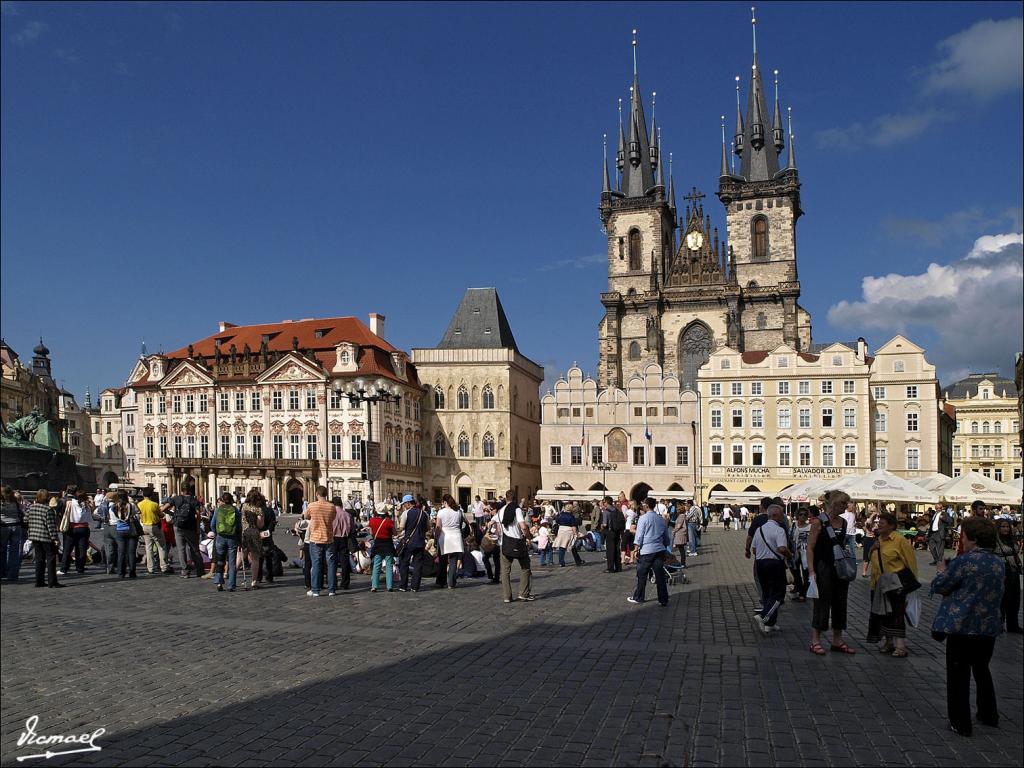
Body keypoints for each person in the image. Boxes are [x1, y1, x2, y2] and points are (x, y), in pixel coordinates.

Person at [931, 517, 1005, 737]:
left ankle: (960, 722)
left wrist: (942, 569)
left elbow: (940, 585)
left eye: (963, 535)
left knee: (958, 676)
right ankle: (989, 714)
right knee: (982, 670)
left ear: (972, 538)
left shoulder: (965, 561)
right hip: (988, 626)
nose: (961, 538)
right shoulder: (997, 562)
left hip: (962, 626)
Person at [807, 490, 855, 657]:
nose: (846, 506)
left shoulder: (842, 522)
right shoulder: (818, 522)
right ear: (834, 503)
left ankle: (837, 640)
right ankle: (815, 640)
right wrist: (811, 570)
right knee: (822, 602)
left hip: (839, 569)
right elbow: (810, 548)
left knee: (840, 602)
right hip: (823, 567)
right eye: (843, 503)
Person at [866, 512, 919, 657]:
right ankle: (888, 642)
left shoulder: (900, 540)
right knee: (882, 614)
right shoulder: (879, 540)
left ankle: (900, 646)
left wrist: (911, 585)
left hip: (896, 585)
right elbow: (872, 558)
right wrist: (872, 548)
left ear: (891, 526)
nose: (879, 525)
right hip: (878, 585)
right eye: (879, 523)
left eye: (882, 523)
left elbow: (911, 563)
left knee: (896, 615)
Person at [751, 503, 792, 633]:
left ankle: (771, 623)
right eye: (781, 515)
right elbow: (782, 548)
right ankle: (763, 615)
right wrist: (790, 555)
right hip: (775, 564)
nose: (783, 518)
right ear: (774, 515)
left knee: (767, 593)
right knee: (779, 595)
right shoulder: (779, 530)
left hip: (760, 564)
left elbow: (754, 549)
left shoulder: (759, 529)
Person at [628, 500, 671, 606]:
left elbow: (639, 535)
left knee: (642, 575)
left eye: (643, 504)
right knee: (660, 575)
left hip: (647, 550)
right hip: (659, 550)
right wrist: (664, 547)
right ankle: (663, 599)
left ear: (646, 506)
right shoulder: (661, 519)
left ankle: (639, 597)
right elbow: (666, 537)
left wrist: (636, 548)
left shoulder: (643, 518)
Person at [161, 481, 205, 579]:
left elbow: (163, 509)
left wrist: (173, 514)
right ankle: (200, 570)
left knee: (181, 549)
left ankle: (185, 571)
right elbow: (198, 515)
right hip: (191, 527)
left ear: (181, 489)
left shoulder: (176, 499)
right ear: (190, 489)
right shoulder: (194, 500)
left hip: (178, 526)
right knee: (194, 549)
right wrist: (198, 528)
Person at [497, 489, 533, 603]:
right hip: (517, 542)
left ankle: (507, 596)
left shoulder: (500, 511)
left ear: (505, 498)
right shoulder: (516, 509)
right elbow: (522, 525)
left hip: (505, 543)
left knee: (505, 571)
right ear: (515, 498)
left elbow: (498, 528)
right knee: (525, 567)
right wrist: (528, 536)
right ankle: (523, 593)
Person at [304, 486, 337, 597]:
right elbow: (333, 518)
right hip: (329, 538)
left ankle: (315, 590)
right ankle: (332, 589)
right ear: (326, 494)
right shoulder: (332, 506)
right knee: (331, 564)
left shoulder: (312, 505)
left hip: (315, 538)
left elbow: (306, 516)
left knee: (316, 564)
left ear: (317, 494)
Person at [27, 490, 61, 588]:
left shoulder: (31, 507)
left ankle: (39, 581)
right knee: (51, 559)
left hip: (34, 536)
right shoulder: (48, 510)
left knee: (39, 559)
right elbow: (51, 526)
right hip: (46, 537)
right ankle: (52, 582)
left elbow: (25, 519)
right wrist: (55, 539)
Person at [994, 518, 1022, 633]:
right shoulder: (995, 541)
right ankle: (999, 625)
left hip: (1014, 571)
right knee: (1002, 599)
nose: (1006, 529)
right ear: (998, 528)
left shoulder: (1012, 539)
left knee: (1015, 600)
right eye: (1003, 527)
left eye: (1007, 527)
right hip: (1002, 572)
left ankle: (1013, 625)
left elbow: (1015, 553)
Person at [211, 493, 241, 592]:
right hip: (232, 538)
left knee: (220, 560)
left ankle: (219, 583)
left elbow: (212, 524)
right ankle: (231, 585)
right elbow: (239, 526)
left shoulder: (218, 509)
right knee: (232, 563)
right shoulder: (235, 510)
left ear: (223, 500)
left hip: (220, 537)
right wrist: (239, 539)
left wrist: (217, 533)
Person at [398, 494, 429, 592]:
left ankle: (403, 586)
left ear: (407, 504)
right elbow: (427, 528)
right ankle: (415, 586)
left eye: (404, 504)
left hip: (408, 542)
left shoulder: (406, 513)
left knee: (404, 563)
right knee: (418, 564)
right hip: (420, 541)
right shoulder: (424, 514)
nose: (404, 506)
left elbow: (401, 527)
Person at [59, 489, 92, 575]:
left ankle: (64, 568)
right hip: (84, 528)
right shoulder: (87, 504)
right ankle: (80, 568)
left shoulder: (70, 503)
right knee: (81, 549)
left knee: (67, 549)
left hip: (72, 528)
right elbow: (90, 517)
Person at [137, 489, 170, 574]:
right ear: (151, 495)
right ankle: (164, 567)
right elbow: (161, 515)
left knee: (148, 548)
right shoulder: (154, 504)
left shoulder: (139, 504)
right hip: (154, 526)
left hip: (144, 526)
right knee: (161, 546)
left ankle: (150, 568)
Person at [108, 491, 140, 579]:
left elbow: (112, 518)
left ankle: (121, 572)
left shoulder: (113, 507)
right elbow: (138, 512)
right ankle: (132, 572)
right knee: (131, 552)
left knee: (121, 552)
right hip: (130, 529)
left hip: (120, 530)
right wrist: (132, 502)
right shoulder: (131, 506)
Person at [435, 494, 464, 589]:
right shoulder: (458, 512)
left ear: (445, 502)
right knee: (453, 560)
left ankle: (441, 581)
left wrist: (436, 537)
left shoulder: (441, 512)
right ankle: (451, 582)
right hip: (456, 536)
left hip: (445, 536)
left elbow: (438, 527)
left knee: (442, 560)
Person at [240, 489, 267, 589]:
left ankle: (231, 576)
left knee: (241, 556)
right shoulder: (258, 509)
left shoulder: (244, 506)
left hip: (244, 532)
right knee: (255, 558)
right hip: (254, 533)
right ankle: (254, 580)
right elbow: (260, 525)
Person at [1, 485, 26, 582]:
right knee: (14, 551)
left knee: (2, 550)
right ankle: (13, 574)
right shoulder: (15, 501)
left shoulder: (2, 502)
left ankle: (3, 572)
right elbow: (22, 511)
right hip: (16, 526)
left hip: (3, 527)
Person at [368, 505, 396, 593]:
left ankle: (374, 586)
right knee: (389, 566)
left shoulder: (372, 520)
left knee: (377, 566)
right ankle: (389, 586)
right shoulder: (389, 522)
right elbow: (394, 533)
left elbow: (371, 532)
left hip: (378, 544)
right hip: (388, 544)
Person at [331, 496, 353, 591]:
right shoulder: (347, 515)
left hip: (333, 539)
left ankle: (333, 582)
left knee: (333, 561)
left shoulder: (331, 514)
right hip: (344, 538)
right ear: (341, 504)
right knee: (345, 561)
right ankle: (345, 583)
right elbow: (352, 528)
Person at [790, 510, 811, 601]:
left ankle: (803, 594)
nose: (802, 516)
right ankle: (800, 588)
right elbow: (790, 538)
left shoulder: (810, 527)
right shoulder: (794, 526)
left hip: (806, 553)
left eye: (805, 514)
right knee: (795, 573)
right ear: (797, 515)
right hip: (795, 552)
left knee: (806, 574)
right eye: (800, 514)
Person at [480, 503, 501, 584]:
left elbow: (497, 530)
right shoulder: (499, 516)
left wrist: (488, 529)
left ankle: (491, 577)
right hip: (497, 541)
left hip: (493, 541)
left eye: (491, 509)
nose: (490, 511)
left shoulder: (496, 517)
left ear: (495, 509)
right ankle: (495, 578)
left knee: (486, 558)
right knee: (496, 561)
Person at [602, 496, 624, 572]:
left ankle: (610, 568)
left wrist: (602, 526)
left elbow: (605, 524)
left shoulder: (606, 511)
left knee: (610, 551)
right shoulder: (616, 509)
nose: (603, 503)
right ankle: (618, 567)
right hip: (617, 531)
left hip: (610, 532)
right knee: (617, 550)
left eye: (603, 502)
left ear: (606, 502)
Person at [860, 504, 880, 578]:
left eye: (874, 511)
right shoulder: (869, 519)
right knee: (867, 556)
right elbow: (867, 524)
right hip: (869, 538)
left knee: (877, 556)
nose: (872, 512)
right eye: (871, 511)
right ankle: (864, 572)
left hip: (876, 538)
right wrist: (872, 516)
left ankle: (877, 571)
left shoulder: (879, 519)